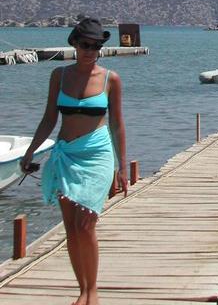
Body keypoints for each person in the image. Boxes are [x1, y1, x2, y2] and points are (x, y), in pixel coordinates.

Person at [21, 17, 127, 305]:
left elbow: (117, 125)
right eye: (85, 44)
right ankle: (82, 290)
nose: (90, 50)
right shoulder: (59, 75)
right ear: (74, 44)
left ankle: (93, 293)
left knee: (85, 224)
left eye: (96, 46)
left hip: (98, 155)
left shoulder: (110, 79)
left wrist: (121, 167)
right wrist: (30, 151)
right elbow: (48, 118)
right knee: (70, 227)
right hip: (66, 154)